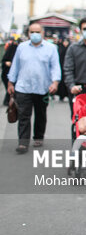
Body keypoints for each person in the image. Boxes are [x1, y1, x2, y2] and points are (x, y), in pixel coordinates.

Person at [7, 23, 61, 153]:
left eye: (37, 32)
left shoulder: (51, 48)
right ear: (28, 33)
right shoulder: (21, 47)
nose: (35, 34)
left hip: (43, 87)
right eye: (32, 32)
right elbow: (15, 66)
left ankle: (38, 137)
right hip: (23, 87)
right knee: (24, 115)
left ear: (42, 33)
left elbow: (55, 67)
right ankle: (23, 143)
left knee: (40, 114)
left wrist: (55, 82)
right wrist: (10, 82)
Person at [2, 37, 19, 106]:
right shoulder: (11, 49)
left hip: (13, 75)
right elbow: (4, 61)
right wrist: (7, 63)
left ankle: (9, 101)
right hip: (6, 74)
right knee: (9, 89)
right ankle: (8, 101)